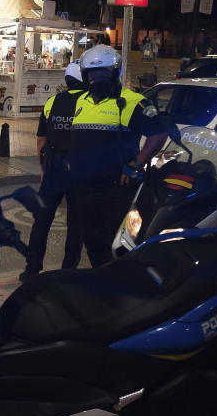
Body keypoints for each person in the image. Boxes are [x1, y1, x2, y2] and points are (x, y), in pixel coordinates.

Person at [67, 45, 168, 267]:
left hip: (115, 189)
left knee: (117, 243)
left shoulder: (131, 101)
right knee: (93, 243)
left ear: (114, 73)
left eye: (103, 73)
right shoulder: (82, 100)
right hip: (84, 187)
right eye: (92, 74)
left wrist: (138, 162)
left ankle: (120, 285)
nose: (96, 78)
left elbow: (159, 133)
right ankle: (103, 285)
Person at [22, 62, 85, 279]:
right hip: (79, 170)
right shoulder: (90, 103)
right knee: (76, 222)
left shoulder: (52, 101)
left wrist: (43, 168)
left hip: (53, 168)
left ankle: (31, 269)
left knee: (42, 219)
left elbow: (41, 140)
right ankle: (68, 270)